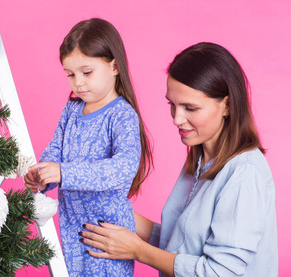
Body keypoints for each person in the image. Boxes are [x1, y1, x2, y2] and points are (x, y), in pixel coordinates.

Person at [80, 42, 278, 276]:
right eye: (171, 104)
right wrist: (117, 212)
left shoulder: (245, 172)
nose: (176, 118)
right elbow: (184, 245)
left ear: (227, 105)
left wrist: (138, 251)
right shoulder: (201, 159)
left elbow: (219, 272)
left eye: (190, 108)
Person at [24, 18, 153, 276]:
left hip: (108, 233)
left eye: (86, 72)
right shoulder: (72, 110)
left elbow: (123, 168)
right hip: (73, 228)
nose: (78, 83)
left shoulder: (122, 115)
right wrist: (42, 176)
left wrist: (64, 173)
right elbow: (55, 150)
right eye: (70, 74)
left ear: (114, 66)